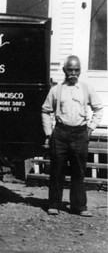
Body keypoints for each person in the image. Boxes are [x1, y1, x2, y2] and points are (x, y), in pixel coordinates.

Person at [41, 55, 103, 217]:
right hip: (60, 133)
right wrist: (49, 133)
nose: (73, 73)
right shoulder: (56, 90)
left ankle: (79, 206)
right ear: (64, 70)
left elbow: (98, 108)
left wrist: (91, 127)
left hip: (80, 133)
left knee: (79, 171)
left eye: (76, 70)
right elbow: (46, 111)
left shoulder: (86, 88)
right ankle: (54, 204)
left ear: (80, 71)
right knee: (57, 170)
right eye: (70, 70)